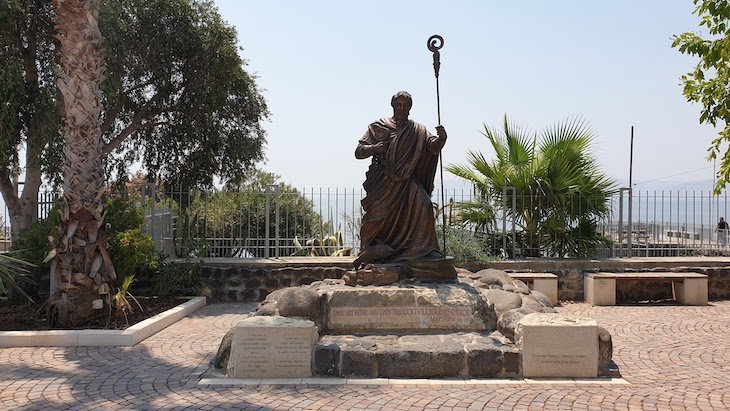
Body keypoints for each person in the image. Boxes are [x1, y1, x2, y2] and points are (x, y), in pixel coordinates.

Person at [354, 91, 447, 269]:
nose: (402, 109)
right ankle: (371, 249)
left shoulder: (418, 130)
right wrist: (375, 148)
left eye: (406, 105)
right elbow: (359, 151)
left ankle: (427, 249)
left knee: (425, 204)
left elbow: (432, 148)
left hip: (407, 180)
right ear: (393, 105)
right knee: (376, 218)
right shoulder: (379, 126)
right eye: (399, 105)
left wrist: (441, 139)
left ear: (410, 108)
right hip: (383, 182)